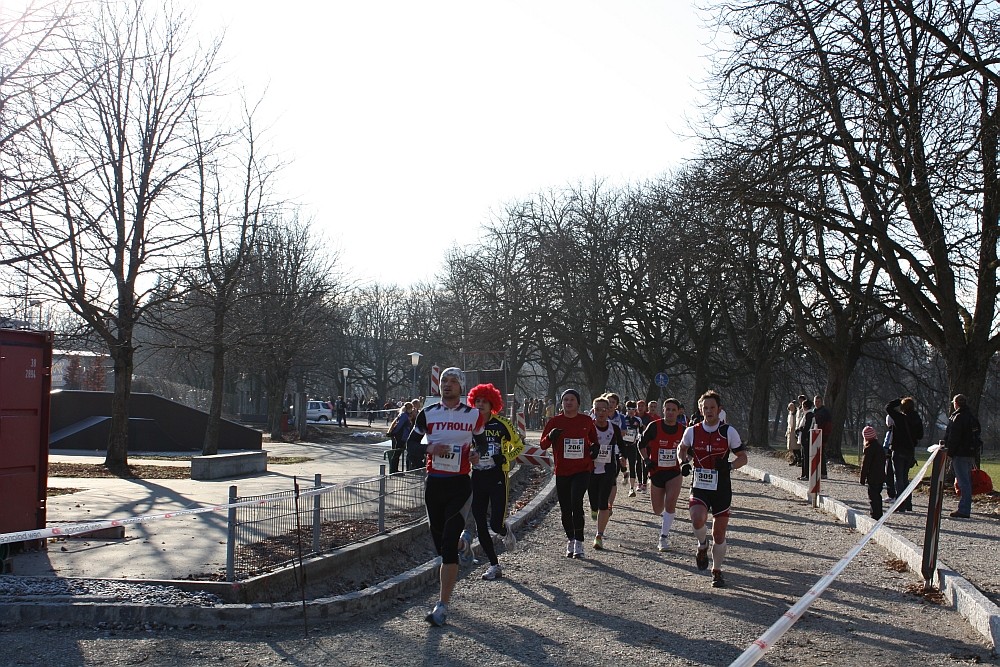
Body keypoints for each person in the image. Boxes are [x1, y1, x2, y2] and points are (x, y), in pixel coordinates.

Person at [405, 367, 488, 627]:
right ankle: (464, 546)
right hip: (435, 485)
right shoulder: (427, 414)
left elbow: (483, 444)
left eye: (453, 381)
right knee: (441, 543)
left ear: (461, 387)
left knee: (447, 548)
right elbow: (410, 447)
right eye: (444, 381)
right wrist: (430, 447)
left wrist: (476, 455)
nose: (448, 385)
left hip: (460, 485)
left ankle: (442, 605)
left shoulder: (473, 415)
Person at [678, 390, 748, 588]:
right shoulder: (692, 431)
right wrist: (683, 462)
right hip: (700, 484)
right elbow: (682, 448)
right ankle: (702, 545)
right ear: (700, 410)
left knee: (719, 534)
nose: (708, 411)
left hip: (721, 487)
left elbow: (743, 457)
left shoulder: (728, 432)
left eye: (712, 408)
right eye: (705, 408)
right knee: (697, 518)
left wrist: (730, 466)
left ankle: (716, 570)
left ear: (719, 410)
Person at [467, 383, 524, 580]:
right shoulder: (469, 426)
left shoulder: (502, 424)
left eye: (484, 401)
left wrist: (506, 458)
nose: (480, 404)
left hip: (498, 475)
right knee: (480, 523)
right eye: (477, 401)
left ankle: (504, 530)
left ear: (493, 404)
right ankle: (494, 564)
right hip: (478, 477)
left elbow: (519, 445)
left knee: (495, 524)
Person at [540, 389, 599, 558]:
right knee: (565, 509)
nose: (568, 402)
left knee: (576, 502)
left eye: (572, 399)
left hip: (582, 469)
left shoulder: (586, 420)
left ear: (578, 403)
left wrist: (595, 448)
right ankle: (571, 539)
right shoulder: (555, 421)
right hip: (563, 470)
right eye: (565, 400)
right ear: (562, 403)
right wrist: (551, 436)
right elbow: (543, 445)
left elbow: (594, 440)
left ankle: (579, 542)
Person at [639, 397, 686, 552]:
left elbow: (690, 450)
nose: (671, 412)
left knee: (671, 503)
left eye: (674, 410)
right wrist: (646, 460)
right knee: (657, 509)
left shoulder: (683, 430)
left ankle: (663, 537)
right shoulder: (654, 426)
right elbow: (641, 445)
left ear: (678, 412)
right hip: (656, 471)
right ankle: (664, 510)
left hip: (674, 472)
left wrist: (685, 462)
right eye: (668, 409)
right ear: (663, 410)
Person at [587, 396, 625, 550]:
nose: (601, 413)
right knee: (594, 502)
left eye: (604, 409)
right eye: (598, 410)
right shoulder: (589, 427)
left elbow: (621, 445)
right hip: (591, 469)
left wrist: (622, 456)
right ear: (593, 411)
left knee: (604, 502)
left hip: (609, 468)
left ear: (609, 411)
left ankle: (599, 535)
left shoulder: (613, 428)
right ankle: (593, 508)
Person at [944, 393, 982, 519]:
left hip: (960, 453)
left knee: (963, 482)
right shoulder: (971, 416)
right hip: (970, 453)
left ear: (956, 404)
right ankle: (966, 507)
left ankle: (964, 509)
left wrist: (949, 453)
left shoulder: (958, 417)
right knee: (966, 481)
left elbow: (954, 437)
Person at [885, 396, 924, 512]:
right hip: (910, 451)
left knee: (899, 478)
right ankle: (908, 503)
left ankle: (900, 502)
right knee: (905, 478)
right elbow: (920, 435)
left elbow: (887, 407)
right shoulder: (917, 419)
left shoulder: (900, 418)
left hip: (898, 449)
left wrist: (898, 400)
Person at [859, 425, 885, 519]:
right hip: (881, 476)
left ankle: (875, 515)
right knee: (878, 495)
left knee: (873, 497)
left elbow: (865, 465)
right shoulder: (879, 447)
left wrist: (862, 478)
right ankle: (879, 513)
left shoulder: (869, 449)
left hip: (872, 477)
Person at [621, 401, 642, 497]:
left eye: (633, 409)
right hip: (622, 445)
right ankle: (625, 472)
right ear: (626, 409)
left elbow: (641, 432)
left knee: (633, 466)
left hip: (632, 445)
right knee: (621, 462)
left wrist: (639, 437)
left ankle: (631, 488)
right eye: (629, 409)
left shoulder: (638, 420)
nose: (631, 411)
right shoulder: (621, 418)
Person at [386, 402, 413, 474]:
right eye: (411, 408)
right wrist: (393, 433)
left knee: (397, 453)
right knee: (397, 453)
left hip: (401, 436)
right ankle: (394, 470)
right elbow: (399, 425)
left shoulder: (403, 415)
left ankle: (394, 469)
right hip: (401, 436)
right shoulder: (404, 416)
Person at [812, 395, 831, 478]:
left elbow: (828, 425)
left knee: (821, 454)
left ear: (821, 402)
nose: (817, 403)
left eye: (818, 401)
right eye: (815, 401)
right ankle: (815, 471)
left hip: (822, 435)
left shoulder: (825, 412)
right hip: (813, 434)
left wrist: (825, 435)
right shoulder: (813, 411)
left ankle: (823, 472)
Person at [797, 399, 815, 481]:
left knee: (806, 456)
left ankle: (807, 475)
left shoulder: (809, 414)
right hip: (804, 437)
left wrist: (800, 430)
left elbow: (807, 427)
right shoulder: (807, 414)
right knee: (803, 456)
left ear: (806, 406)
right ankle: (804, 474)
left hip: (806, 437)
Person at [786, 401, 801, 466]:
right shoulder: (790, 414)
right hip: (790, 432)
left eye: (792, 406)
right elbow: (788, 424)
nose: (791, 408)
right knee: (792, 447)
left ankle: (799, 459)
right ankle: (795, 459)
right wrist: (787, 432)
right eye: (790, 407)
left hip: (795, 431)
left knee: (796, 447)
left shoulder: (797, 414)